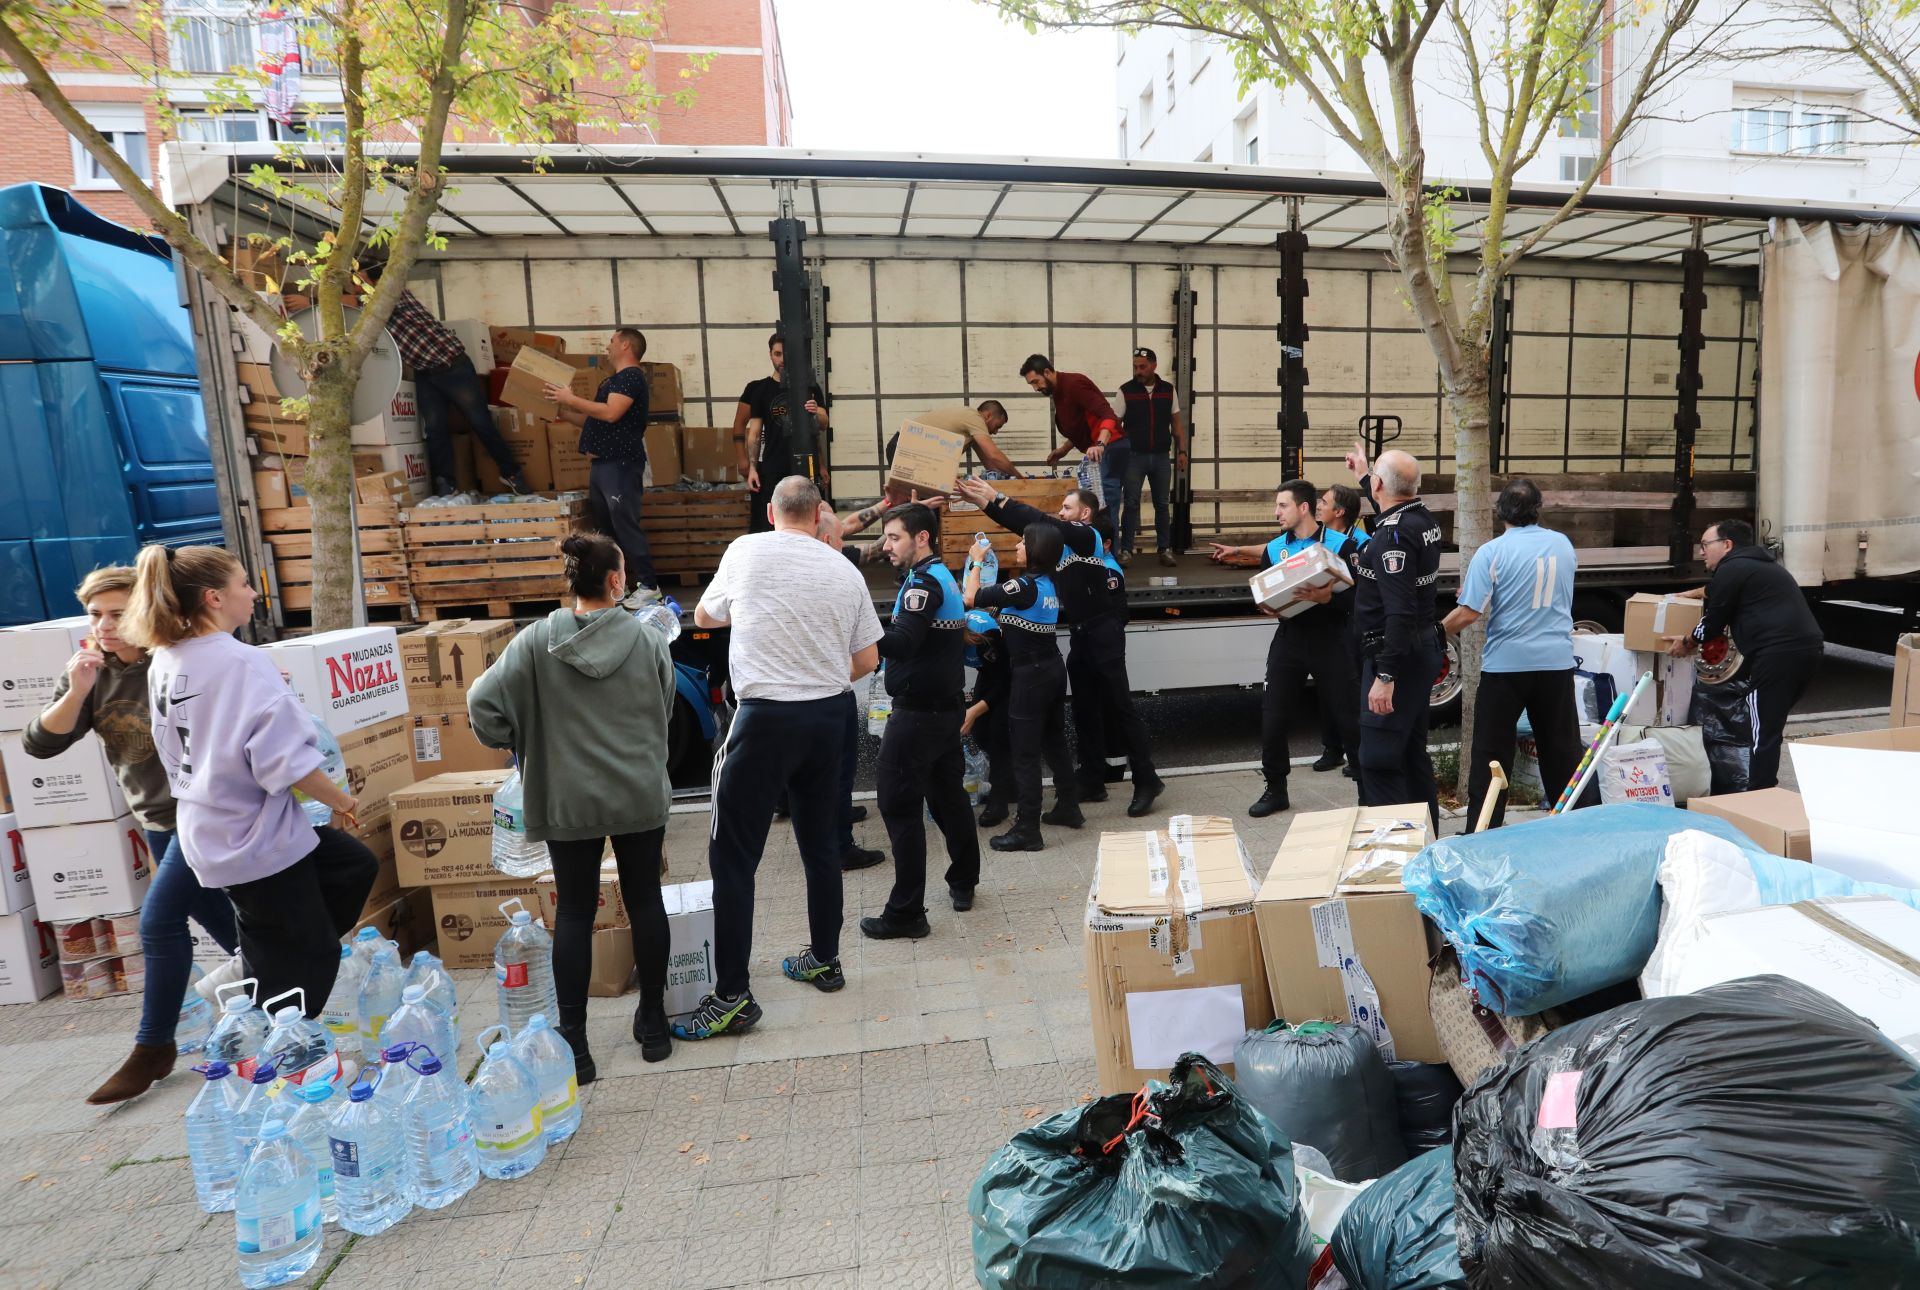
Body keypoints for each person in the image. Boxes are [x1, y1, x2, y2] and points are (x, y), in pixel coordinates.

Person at [123, 546, 377, 1029]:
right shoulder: (240, 661)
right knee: (311, 956)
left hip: (215, 825)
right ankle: (275, 1041)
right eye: (245, 583)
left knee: (351, 865)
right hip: (250, 834)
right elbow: (281, 761)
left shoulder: (167, 657)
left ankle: (254, 966)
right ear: (215, 597)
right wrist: (342, 800)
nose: (255, 593)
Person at [23, 566, 239, 1104]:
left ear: (145, 611)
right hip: (157, 824)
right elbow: (39, 745)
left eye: (118, 613)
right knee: (238, 930)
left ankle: (152, 1047)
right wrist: (77, 689)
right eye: (96, 615)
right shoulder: (94, 672)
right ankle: (296, 995)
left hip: (204, 815)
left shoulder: (177, 658)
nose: (106, 624)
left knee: (159, 922)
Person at [467, 532, 678, 1079]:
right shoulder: (647, 640)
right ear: (614, 580)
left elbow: (481, 702)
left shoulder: (536, 641)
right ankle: (653, 1024)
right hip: (637, 792)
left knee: (576, 915)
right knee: (645, 900)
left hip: (566, 797)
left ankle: (577, 1046)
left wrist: (517, 739)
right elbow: (665, 708)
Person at [680, 477, 882, 1041]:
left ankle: (732, 997)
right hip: (828, 718)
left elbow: (703, 617)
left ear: (771, 512)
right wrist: (815, 679)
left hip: (765, 719)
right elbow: (867, 657)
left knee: (734, 859)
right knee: (822, 846)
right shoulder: (844, 569)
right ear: (821, 515)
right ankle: (824, 959)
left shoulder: (746, 550)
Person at [955, 476, 1166, 817]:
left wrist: (1000, 496)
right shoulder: (1063, 544)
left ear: (1085, 513)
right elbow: (1030, 529)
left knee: (1119, 706)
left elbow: (1042, 523)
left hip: (1104, 630)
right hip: (1082, 633)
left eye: (1067, 508)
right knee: (1084, 709)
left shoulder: (1087, 535)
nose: (1060, 513)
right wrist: (987, 505)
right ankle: (1092, 779)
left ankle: (1147, 780)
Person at [861, 503, 983, 936]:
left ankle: (907, 913)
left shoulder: (924, 584)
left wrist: (859, 628)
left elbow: (904, 642)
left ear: (922, 538)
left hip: (917, 718)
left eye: (894, 537)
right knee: (949, 799)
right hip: (942, 710)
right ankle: (964, 880)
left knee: (898, 806)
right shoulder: (937, 576)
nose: (886, 545)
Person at [1209, 479, 1363, 817]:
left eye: (1283, 506)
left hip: (1332, 639)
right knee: (1273, 717)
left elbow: (1358, 599)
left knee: (1349, 717)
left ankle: (1368, 791)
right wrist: (1267, 607)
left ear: (1303, 508)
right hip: (1290, 639)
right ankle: (1275, 789)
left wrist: (1327, 599)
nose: (1277, 512)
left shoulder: (1343, 545)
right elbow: (1265, 592)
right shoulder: (1274, 548)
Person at [1441, 480, 1583, 830]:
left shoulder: (1491, 552)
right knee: (1562, 751)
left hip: (1507, 666)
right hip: (1556, 663)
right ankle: (1574, 827)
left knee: (1491, 753)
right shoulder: (1563, 544)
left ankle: (1484, 830)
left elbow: (1469, 612)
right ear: (1538, 509)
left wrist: (1435, 632)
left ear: (1500, 511)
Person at [1666, 518, 1823, 791]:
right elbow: (1719, 591)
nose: (1701, 552)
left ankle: (1760, 794)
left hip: (1777, 653)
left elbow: (1713, 621)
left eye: (1705, 545)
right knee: (1769, 722)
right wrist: (1694, 592)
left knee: (1762, 727)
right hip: (1804, 649)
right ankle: (1763, 789)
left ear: (1727, 544)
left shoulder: (1733, 567)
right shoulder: (1757, 565)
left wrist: (1687, 642)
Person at [964, 526, 1081, 851]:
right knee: (1054, 740)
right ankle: (1069, 806)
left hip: (1030, 675)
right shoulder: (1048, 583)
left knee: (1025, 753)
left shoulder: (1024, 586)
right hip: (1052, 668)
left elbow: (971, 597)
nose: (1017, 545)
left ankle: (1028, 828)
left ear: (1037, 549)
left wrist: (976, 562)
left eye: (1023, 542)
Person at [1346, 449, 1443, 829]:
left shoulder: (1393, 538)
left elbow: (1399, 612)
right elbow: (1390, 506)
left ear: (1380, 484)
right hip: (1417, 651)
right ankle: (1429, 843)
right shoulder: (1419, 518)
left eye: (1374, 479)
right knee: (1410, 753)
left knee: (1380, 760)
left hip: (1395, 654)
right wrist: (1364, 475)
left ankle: (1395, 858)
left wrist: (1385, 677)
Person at [375, 279, 531, 498]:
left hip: (452, 366)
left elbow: (356, 301)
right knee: (435, 430)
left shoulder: (390, 290)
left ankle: (512, 474)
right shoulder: (366, 311)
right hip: (425, 372)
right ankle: (446, 484)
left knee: (481, 423)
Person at [546, 327, 656, 595]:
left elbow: (610, 413)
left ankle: (649, 586)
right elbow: (593, 419)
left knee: (624, 525)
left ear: (626, 346)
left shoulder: (630, 377)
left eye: (612, 341)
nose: (607, 346)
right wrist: (562, 411)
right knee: (607, 530)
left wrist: (571, 398)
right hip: (602, 465)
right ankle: (621, 586)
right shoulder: (612, 381)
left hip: (619, 463)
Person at [738, 333, 829, 532]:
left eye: (785, 354)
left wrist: (821, 463)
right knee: (772, 524)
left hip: (806, 465)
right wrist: (752, 468)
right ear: (770, 354)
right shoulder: (761, 390)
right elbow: (753, 433)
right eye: (777, 354)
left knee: (811, 519)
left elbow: (823, 424)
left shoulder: (810, 387)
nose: (782, 359)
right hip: (773, 466)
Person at [1115, 347, 1189, 568]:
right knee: (1130, 504)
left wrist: (1182, 451)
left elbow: (1176, 423)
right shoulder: (1125, 391)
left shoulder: (1168, 390)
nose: (1138, 371)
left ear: (1154, 366)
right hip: (1133, 457)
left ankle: (1164, 549)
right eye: (1136, 367)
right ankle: (1126, 550)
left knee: (1162, 504)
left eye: (1143, 367)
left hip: (1160, 457)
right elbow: (1114, 424)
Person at [1313, 482, 1368, 776]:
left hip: (1351, 620)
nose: (1318, 506)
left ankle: (1356, 753)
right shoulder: (1318, 537)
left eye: (1324, 501)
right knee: (1326, 687)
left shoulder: (1360, 542)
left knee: (1351, 688)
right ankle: (1331, 748)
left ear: (1339, 511)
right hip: (1326, 619)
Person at [1020, 355, 1122, 509]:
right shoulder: (1058, 392)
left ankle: (1107, 534)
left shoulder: (1074, 384)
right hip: (1097, 452)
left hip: (1111, 446)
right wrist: (1063, 450)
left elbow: (1108, 414)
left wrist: (1100, 444)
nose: (1035, 388)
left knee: (1104, 506)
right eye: (1031, 384)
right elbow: (1079, 428)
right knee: (1095, 504)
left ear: (1047, 372)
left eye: (1036, 381)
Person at [961, 610, 1014, 828]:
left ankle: (999, 802)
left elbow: (1003, 682)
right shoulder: (942, 638)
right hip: (987, 672)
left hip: (1008, 675)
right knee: (980, 733)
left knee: (997, 736)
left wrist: (972, 712)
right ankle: (1010, 784)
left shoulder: (986, 636)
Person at [897, 403, 1021, 478]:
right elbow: (993, 455)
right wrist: (1020, 478)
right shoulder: (974, 418)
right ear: (988, 415)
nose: (995, 432)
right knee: (914, 501)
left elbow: (989, 463)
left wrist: (1003, 480)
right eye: (997, 426)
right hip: (904, 447)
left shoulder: (973, 431)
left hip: (916, 453)